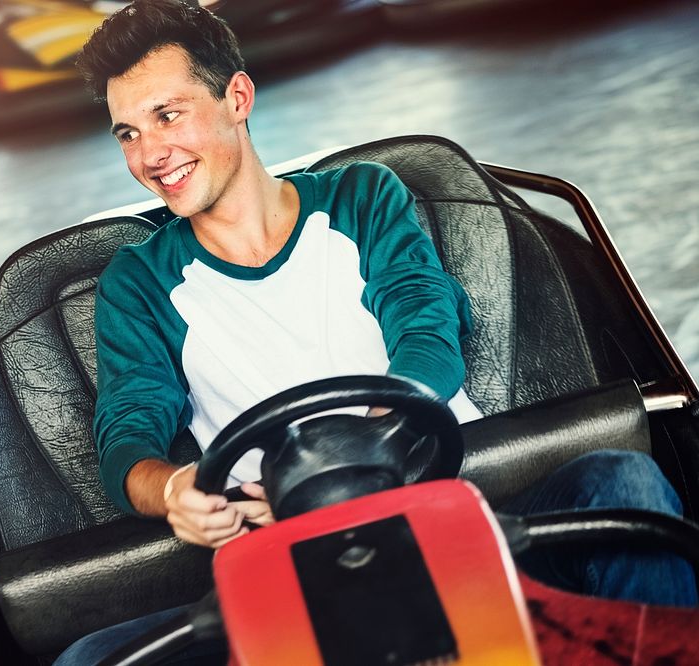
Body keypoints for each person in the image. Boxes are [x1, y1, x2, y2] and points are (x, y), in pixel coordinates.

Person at [55, 1, 696, 663]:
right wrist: (170, 491)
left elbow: (426, 328)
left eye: (168, 115)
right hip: (290, 578)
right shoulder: (138, 281)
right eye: (127, 133)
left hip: (460, 521)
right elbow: (127, 427)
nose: (151, 154)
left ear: (236, 97)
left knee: (623, 484)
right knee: (86, 657)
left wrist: (346, 465)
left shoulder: (361, 199)